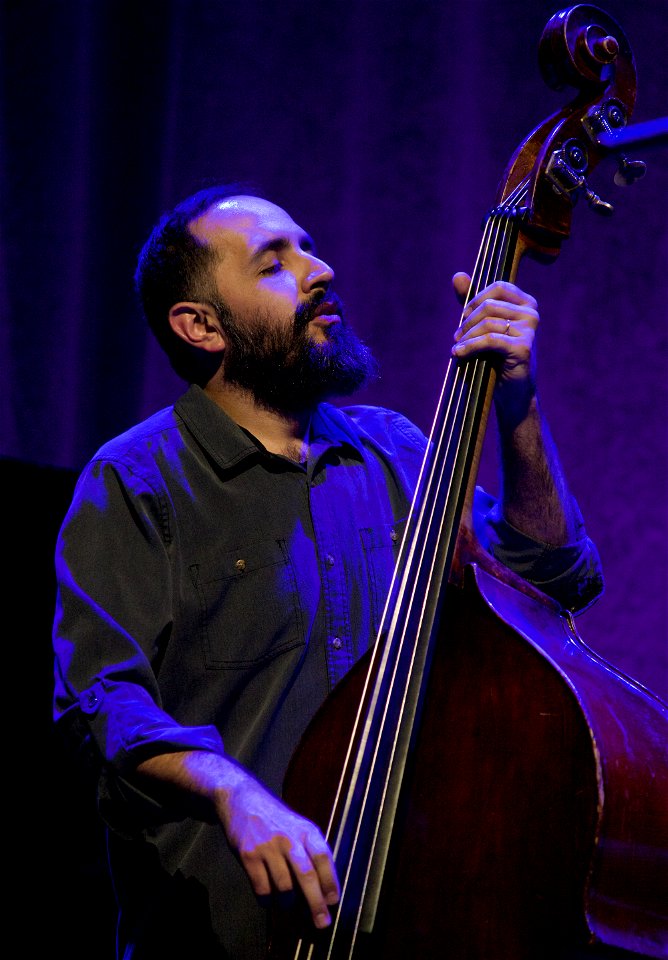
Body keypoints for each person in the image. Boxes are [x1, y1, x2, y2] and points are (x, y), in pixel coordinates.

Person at [52, 183, 604, 960]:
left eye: (307, 246)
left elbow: (551, 585)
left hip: (417, 921)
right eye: (274, 263)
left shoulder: (403, 452)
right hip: (228, 940)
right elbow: (97, 698)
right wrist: (233, 791)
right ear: (201, 325)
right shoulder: (137, 482)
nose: (319, 269)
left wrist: (519, 410)